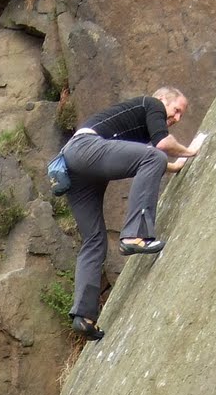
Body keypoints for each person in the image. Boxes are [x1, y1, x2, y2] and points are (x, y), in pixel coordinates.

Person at [60, 87, 202, 339]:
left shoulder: (137, 128)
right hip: (85, 149)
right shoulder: (151, 104)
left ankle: (84, 315)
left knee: (94, 240)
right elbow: (162, 146)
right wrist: (192, 151)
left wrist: (173, 166)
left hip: (73, 166)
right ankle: (135, 235)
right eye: (176, 110)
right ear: (162, 100)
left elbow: (149, 158)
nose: (177, 118)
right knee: (154, 156)